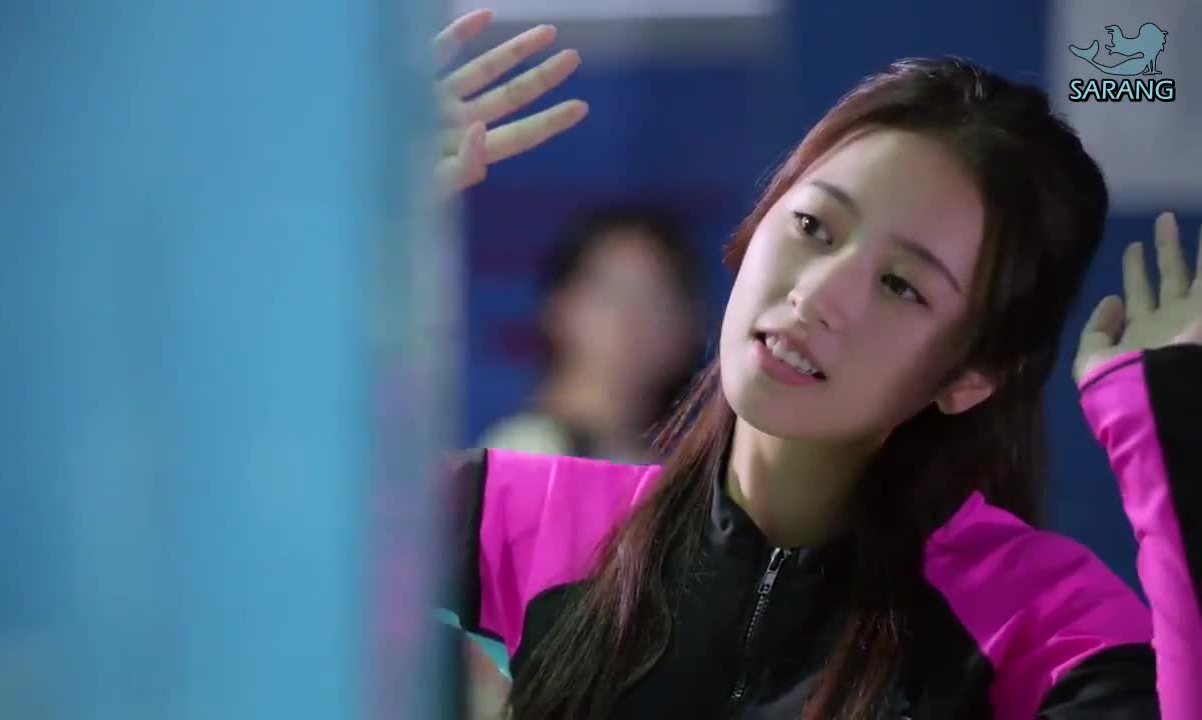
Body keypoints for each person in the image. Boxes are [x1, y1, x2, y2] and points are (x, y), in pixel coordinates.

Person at [435, 9, 1202, 720]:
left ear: (971, 373)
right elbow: (348, 520)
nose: (818, 294)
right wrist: (362, 204)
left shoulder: (1036, 621)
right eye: (813, 225)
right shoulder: (533, 520)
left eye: (901, 285)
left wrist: (1177, 447)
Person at [478, 204, 704, 463]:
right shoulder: (528, 450)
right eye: (612, 295)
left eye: (657, 299)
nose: (633, 319)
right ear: (559, 308)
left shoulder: (680, 462)